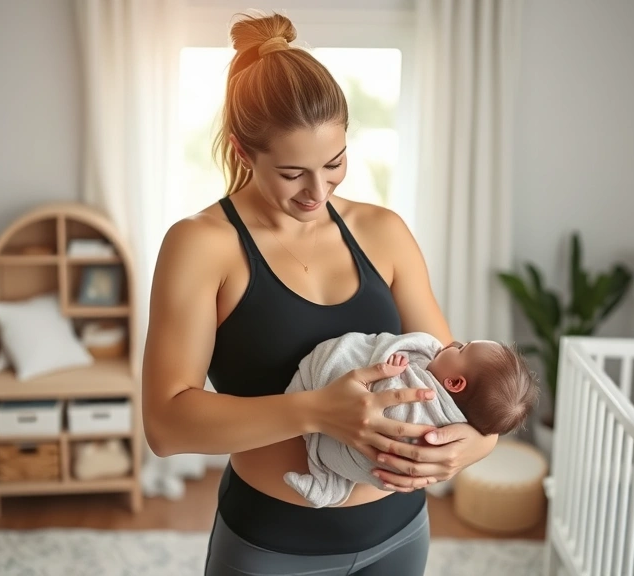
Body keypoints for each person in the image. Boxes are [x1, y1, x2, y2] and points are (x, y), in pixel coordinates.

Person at [141, 11, 501, 576]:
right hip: (272, 548)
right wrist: (318, 412)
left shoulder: (385, 232)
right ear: (242, 151)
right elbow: (166, 425)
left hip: (400, 534)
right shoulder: (201, 245)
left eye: (334, 164)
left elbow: (458, 383)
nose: (317, 192)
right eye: (292, 173)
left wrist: (474, 446)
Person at [283, 331, 539, 508]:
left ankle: (327, 479)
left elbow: (391, 404)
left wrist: (392, 368)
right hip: (383, 492)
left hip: (372, 478)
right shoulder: (460, 415)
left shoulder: (426, 402)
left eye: (462, 348)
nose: (453, 344)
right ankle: (327, 483)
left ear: (453, 383)